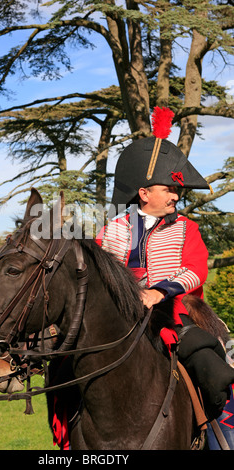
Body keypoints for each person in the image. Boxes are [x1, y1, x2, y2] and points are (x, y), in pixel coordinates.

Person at [95, 107, 234, 425]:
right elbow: (101, 273)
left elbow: (196, 270)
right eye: (168, 188)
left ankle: (216, 433)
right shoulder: (113, 229)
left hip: (176, 318)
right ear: (144, 194)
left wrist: (159, 292)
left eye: (176, 189)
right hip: (123, 320)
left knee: (214, 373)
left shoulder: (186, 227)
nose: (175, 194)